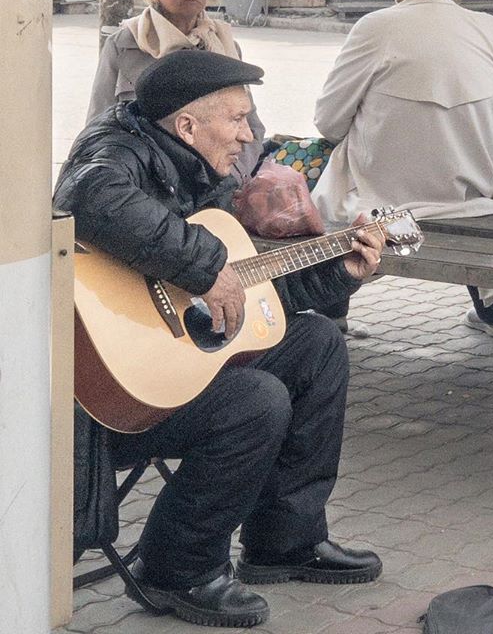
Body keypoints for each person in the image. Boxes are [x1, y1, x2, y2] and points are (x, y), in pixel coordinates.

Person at [56, 51, 384, 628]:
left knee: (316, 346)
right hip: (101, 399)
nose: (248, 135)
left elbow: (252, 292)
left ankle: (285, 540)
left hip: (169, 364)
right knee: (255, 400)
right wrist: (206, 267)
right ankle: (176, 566)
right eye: (236, 119)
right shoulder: (115, 150)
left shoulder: (198, 168)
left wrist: (340, 270)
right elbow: (91, 199)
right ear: (187, 125)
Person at [312, 0, 493, 337]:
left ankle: (332, 309)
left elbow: (328, 121)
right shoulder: (488, 27)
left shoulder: (376, 27)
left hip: (385, 209)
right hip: (477, 202)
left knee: (330, 181)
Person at [87, 0, 265, 180]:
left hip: (215, 181)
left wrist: (232, 177)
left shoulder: (224, 45)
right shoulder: (125, 45)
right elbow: (98, 127)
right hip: (148, 182)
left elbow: (251, 128)